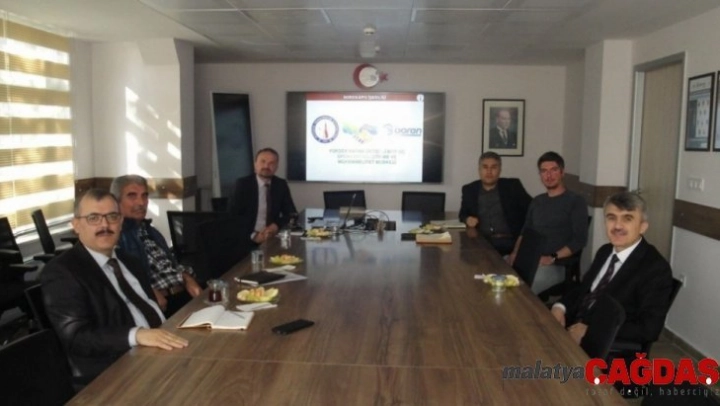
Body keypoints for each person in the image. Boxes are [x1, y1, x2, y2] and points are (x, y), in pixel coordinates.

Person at [41, 189, 188, 389]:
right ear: (76, 225)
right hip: (116, 372)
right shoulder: (62, 272)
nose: (104, 225)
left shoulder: (130, 261)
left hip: (162, 350)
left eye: (112, 217)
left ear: (120, 222)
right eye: (93, 218)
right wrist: (137, 334)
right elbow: (76, 337)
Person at [550, 191, 673, 346]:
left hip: (601, 345)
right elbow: (585, 290)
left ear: (643, 227)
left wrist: (591, 331)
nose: (617, 226)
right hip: (572, 326)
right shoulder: (605, 251)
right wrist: (560, 307)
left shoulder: (655, 268)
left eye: (627, 218)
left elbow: (649, 329)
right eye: (611, 218)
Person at [111, 175, 202, 317]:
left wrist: (187, 278)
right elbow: (116, 276)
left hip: (184, 294)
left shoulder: (150, 231)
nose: (141, 202)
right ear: (116, 201)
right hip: (161, 305)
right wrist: (148, 292)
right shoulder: (115, 235)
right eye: (132, 196)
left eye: (144, 196)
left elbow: (171, 265)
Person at [508, 151, 588, 294]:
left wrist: (552, 257)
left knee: (519, 289)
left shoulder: (575, 201)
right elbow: (525, 232)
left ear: (562, 172)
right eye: (544, 171)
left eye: (553, 170)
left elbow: (579, 240)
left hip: (555, 265)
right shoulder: (537, 201)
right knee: (497, 270)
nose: (549, 175)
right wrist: (515, 253)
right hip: (529, 259)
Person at [459, 152, 531, 255]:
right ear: (479, 170)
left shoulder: (513, 186)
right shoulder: (469, 189)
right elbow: (462, 214)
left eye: (493, 167)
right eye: (485, 167)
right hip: (482, 242)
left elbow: (532, 210)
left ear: (500, 170)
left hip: (510, 243)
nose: (489, 171)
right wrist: (467, 219)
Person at [229, 147, 297, 244]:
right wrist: (254, 236)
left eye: (271, 163)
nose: (266, 166)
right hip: (246, 238)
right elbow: (233, 218)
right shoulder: (243, 184)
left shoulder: (280, 184)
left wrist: (275, 226)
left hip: (272, 237)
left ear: (276, 167)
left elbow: (292, 214)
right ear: (255, 164)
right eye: (263, 161)